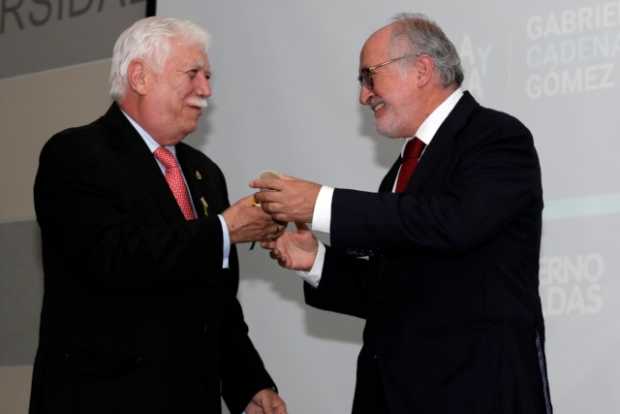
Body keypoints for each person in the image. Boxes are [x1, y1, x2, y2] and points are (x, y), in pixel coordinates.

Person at [253, 13, 552, 414]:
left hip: (475, 394)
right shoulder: (405, 167)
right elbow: (395, 291)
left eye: (368, 77)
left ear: (422, 70)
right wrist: (316, 260)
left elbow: (454, 223)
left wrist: (321, 203)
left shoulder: (496, 137)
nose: (363, 96)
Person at [30, 17, 286, 414]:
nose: (206, 90)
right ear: (140, 77)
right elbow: (113, 259)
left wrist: (248, 383)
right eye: (193, 74)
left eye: (208, 76)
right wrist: (222, 229)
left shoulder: (205, 173)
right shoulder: (76, 155)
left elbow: (214, 301)